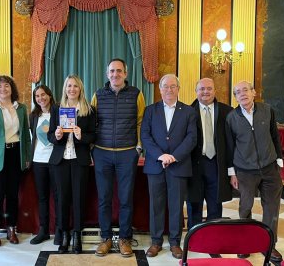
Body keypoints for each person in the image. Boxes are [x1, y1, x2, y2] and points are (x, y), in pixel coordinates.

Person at [91, 58, 145, 257]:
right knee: (104, 198)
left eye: (119, 71)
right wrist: (92, 149)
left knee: (125, 199)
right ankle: (105, 238)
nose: (116, 74)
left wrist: (138, 148)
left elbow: (141, 121)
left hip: (127, 153)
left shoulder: (136, 94)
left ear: (126, 74)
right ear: (107, 74)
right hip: (102, 153)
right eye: (112, 71)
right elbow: (92, 121)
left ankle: (124, 239)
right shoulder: (98, 94)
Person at [225, 80, 283, 263]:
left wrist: (279, 160)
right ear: (235, 97)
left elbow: (275, 135)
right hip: (245, 170)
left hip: (270, 167)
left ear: (254, 93)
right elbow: (229, 146)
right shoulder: (231, 118)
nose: (242, 94)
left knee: (272, 208)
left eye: (245, 90)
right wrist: (232, 172)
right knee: (246, 207)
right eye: (237, 92)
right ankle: (245, 242)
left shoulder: (267, 110)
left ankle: (269, 244)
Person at [140, 74, 196, 259]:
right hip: (155, 166)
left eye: (173, 86)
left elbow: (191, 138)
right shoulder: (150, 110)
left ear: (178, 89)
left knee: (176, 205)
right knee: (156, 205)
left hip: (178, 166)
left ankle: (174, 242)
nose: (169, 90)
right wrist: (160, 155)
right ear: (160, 89)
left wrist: (174, 156)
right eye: (166, 86)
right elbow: (145, 137)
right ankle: (156, 242)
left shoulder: (188, 112)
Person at [0, 75, 31, 247]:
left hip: (16, 155)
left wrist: (26, 157)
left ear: (12, 89)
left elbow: (25, 136)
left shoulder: (22, 108)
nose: (3, 89)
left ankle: (11, 228)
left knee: (12, 196)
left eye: (6, 86)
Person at [48, 75, 96, 254]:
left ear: (80, 89)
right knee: (62, 200)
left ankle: (77, 235)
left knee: (79, 199)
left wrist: (81, 136)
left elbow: (93, 135)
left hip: (79, 160)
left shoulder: (88, 110)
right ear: (65, 89)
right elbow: (50, 135)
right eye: (69, 86)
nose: (72, 89)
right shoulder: (56, 109)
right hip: (60, 161)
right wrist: (57, 136)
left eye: (76, 86)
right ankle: (64, 235)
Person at [187, 78, 233, 230]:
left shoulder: (227, 111)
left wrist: (232, 170)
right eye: (201, 89)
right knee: (194, 202)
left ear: (215, 91)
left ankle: (214, 234)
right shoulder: (187, 112)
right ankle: (194, 236)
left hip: (216, 164)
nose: (205, 92)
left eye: (209, 88)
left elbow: (232, 143)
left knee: (215, 202)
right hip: (195, 164)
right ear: (196, 91)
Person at [29, 85, 61, 245]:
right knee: (42, 197)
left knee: (58, 197)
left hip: (55, 161)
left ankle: (59, 230)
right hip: (38, 161)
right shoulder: (34, 116)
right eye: (37, 96)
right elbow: (32, 137)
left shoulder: (58, 111)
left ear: (49, 95)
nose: (40, 98)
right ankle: (43, 230)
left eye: (43, 95)